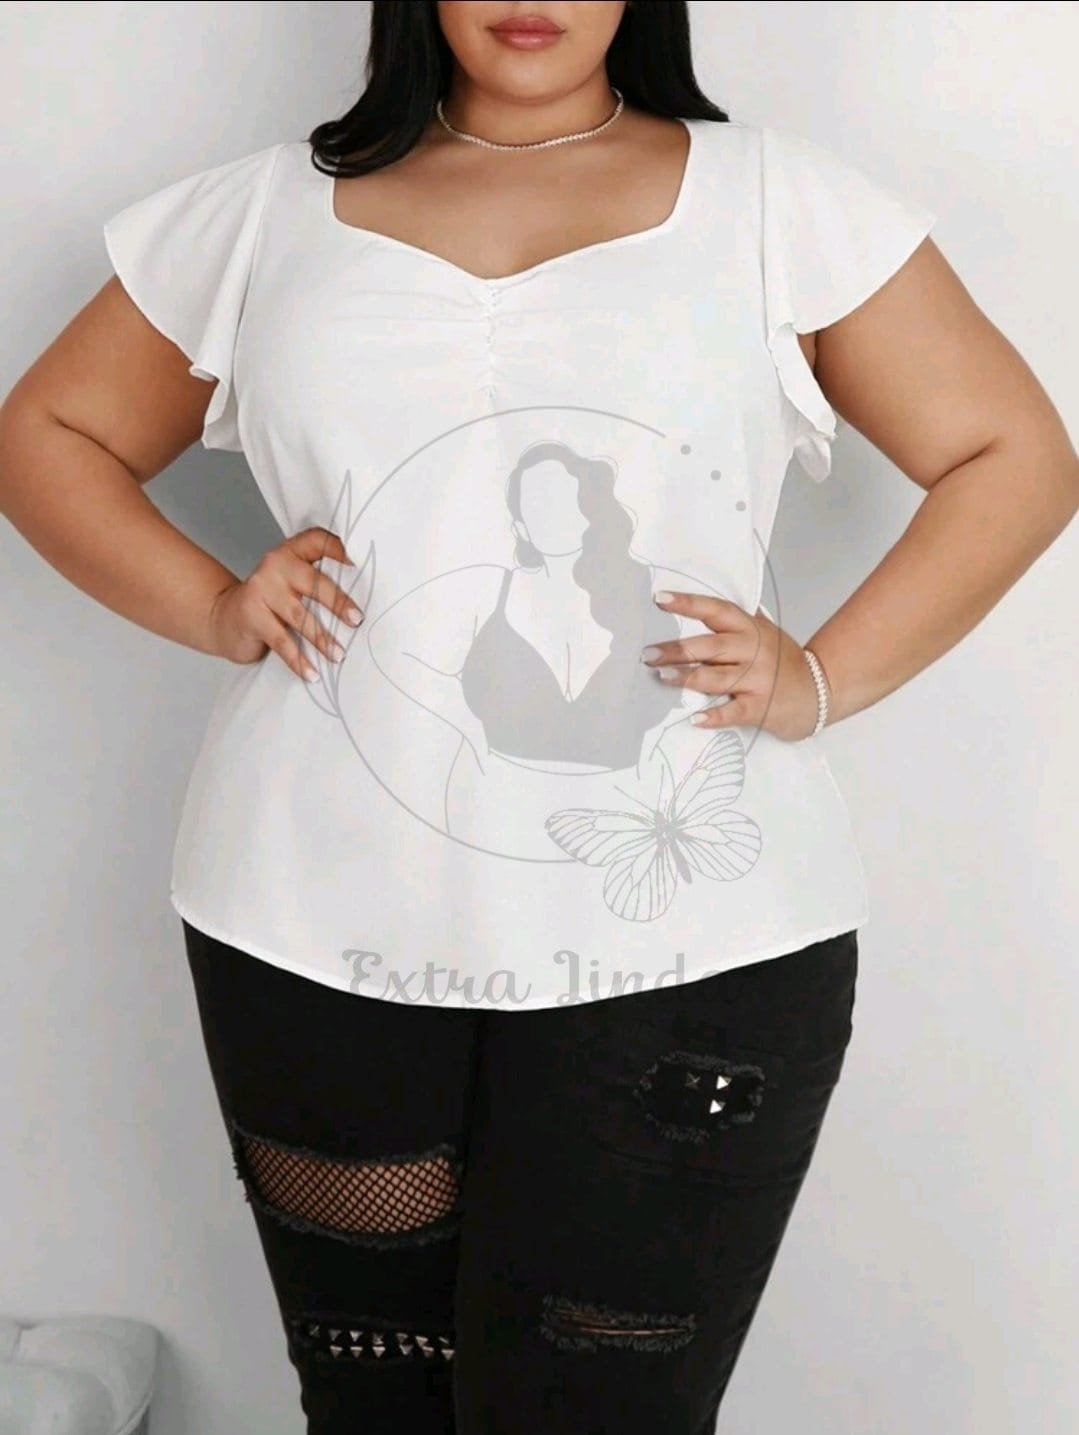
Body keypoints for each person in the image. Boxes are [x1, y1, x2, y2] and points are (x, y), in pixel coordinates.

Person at [1, 2, 1075, 1431]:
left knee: (598, 1415)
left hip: (694, 939)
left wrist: (819, 677)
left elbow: (1012, 452)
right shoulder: (263, 213)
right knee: (374, 1407)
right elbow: (50, 432)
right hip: (309, 918)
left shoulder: (778, 203)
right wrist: (214, 604)